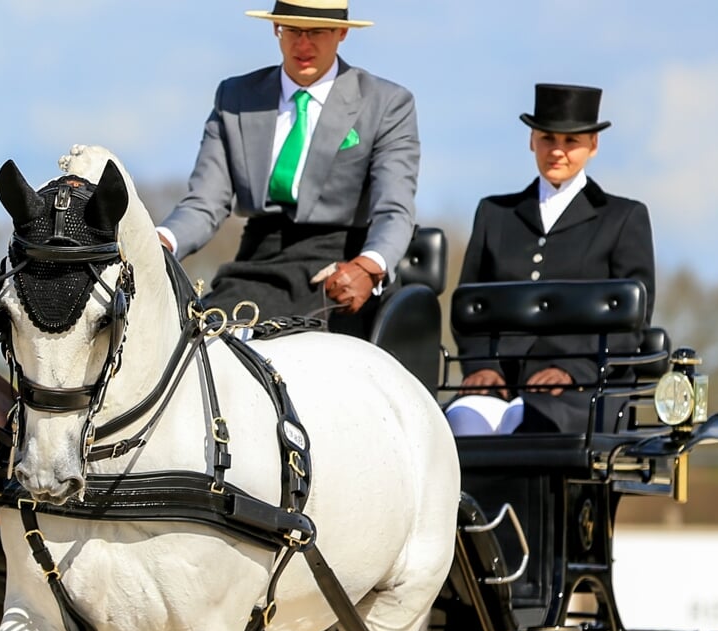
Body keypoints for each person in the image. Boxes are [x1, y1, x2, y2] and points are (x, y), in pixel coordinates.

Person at [155, 0, 418, 335]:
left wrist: (369, 266)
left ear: (341, 33)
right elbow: (205, 202)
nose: (302, 44)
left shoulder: (386, 103)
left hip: (341, 267)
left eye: (316, 32)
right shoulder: (236, 98)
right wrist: (158, 242)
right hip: (256, 266)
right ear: (276, 29)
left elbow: (394, 209)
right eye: (293, 30)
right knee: (198, 348)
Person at [457, 83, 654, 432]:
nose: (557, 152)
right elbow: (471, 308)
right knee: (460, 423)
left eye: (571, 142)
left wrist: (573, 370)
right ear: (532, 139)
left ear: (592, 145)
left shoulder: (622, 218)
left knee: (527, 421)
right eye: (548, 139)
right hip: (499, 383)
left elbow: (632, 322)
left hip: (583, 387)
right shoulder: (495, 214)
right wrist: (482, 367)